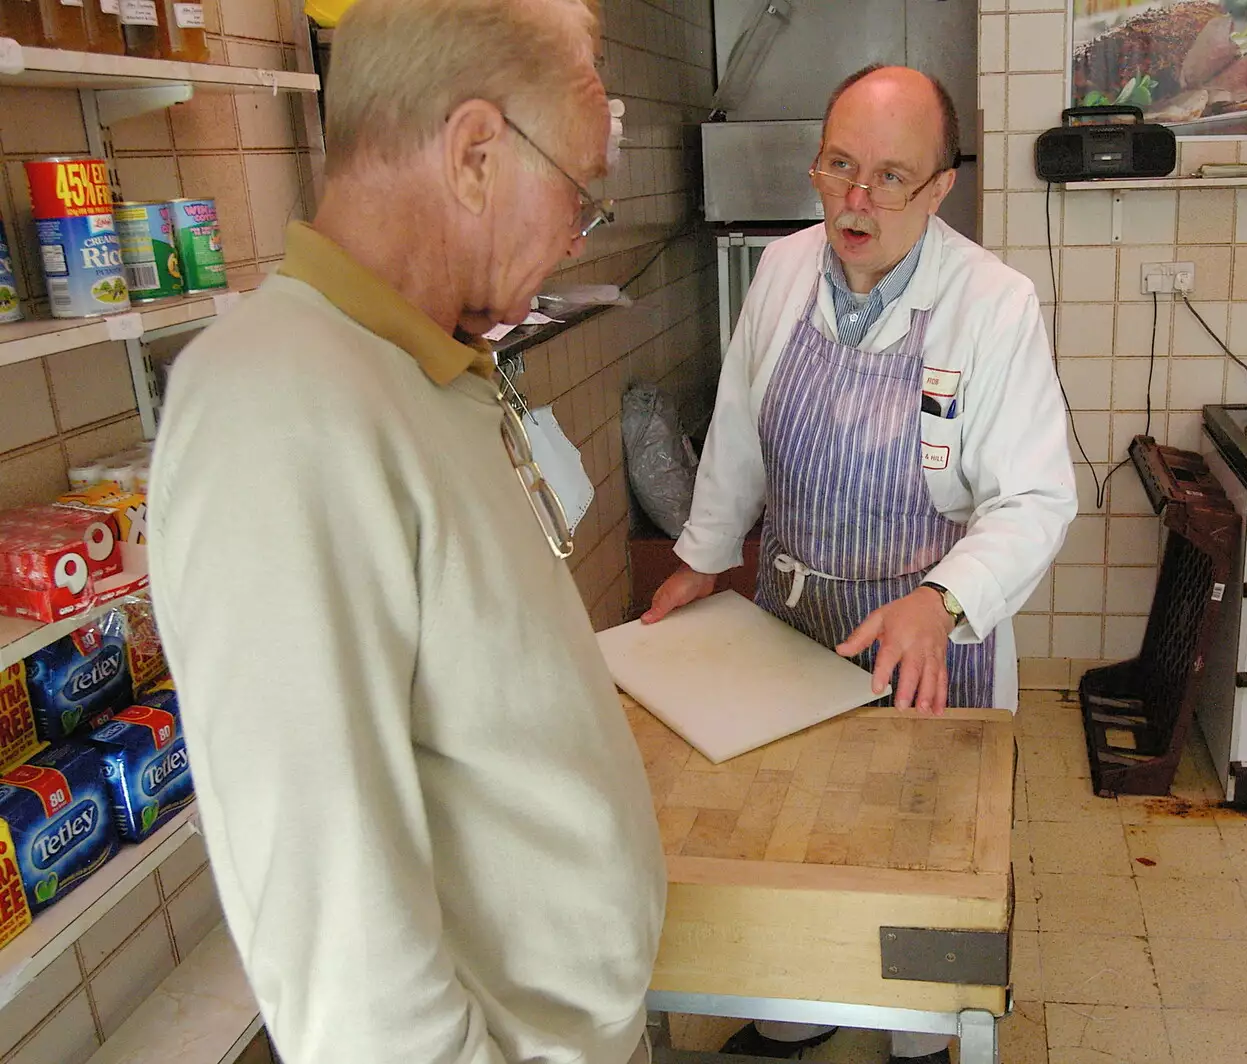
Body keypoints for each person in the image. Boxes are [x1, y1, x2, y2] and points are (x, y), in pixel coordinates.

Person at [146, 2, 665, 1063]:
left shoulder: (420, 361)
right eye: (577, 190)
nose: (577, 232)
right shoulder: (277, 408)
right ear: (476, 152)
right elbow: (339, 948)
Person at [643, 66, 1077, 1063]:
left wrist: (943, 598)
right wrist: (703, 556)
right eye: (840, 165)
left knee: (913, 853)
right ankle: (795, 1007)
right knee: (788, 836)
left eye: (890, 177)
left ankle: (923, 1037)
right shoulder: (784, 271)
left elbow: (1036, 496)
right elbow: (741, 436)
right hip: (794, 627)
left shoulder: (993, 304)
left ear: (938, 188)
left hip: (929, 647)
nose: (856, 198)